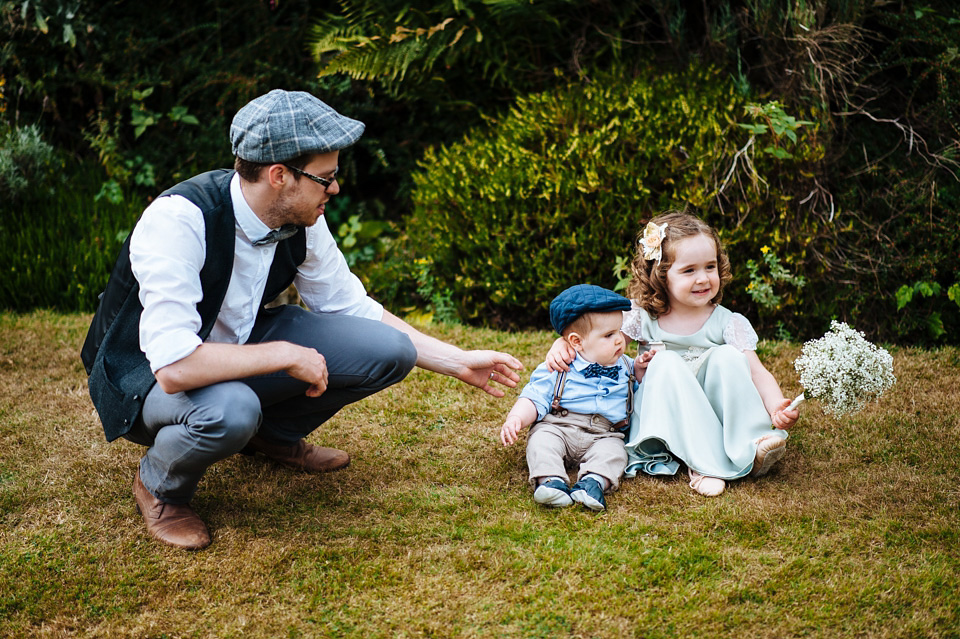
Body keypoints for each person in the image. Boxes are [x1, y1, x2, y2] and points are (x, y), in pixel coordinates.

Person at [80, 89, 523, 550]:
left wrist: (456, 361)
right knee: (231, 411)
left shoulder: (302, 217)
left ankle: (269, 438)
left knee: (390, 350)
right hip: (141, 376)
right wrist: (285, 354)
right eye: (325, 178)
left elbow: (351, 307)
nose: (335, 189)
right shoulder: (180, 220)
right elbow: (173, 367)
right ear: (279, 175)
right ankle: (161, 487)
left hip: (238, 345)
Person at [546, 211, 798, 497]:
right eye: (689, 270)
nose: (703, 278)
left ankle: (750, 444)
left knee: (728, 358)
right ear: (661, 275)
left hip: (712, 414)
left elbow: (756, 371)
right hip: (663, 413)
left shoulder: (728, 321)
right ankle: (704, 465)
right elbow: (597, 342)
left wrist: (776, 405)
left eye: (710, 267)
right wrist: (563, 343)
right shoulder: (642, 317)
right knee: (664, 361)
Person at [500, 285, 654, 511]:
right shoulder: (559, 366)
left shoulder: (626, 366)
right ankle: (551, 481)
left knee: (615, 453)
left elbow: (637, 392)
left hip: (605, 433)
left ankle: (593, 482)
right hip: (560, 425)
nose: (620, 340)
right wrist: (516, 418)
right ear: (577, 341)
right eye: (609, 335)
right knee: (542, 442)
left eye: (619, 331)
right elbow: (535, 396)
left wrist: (641, 371)